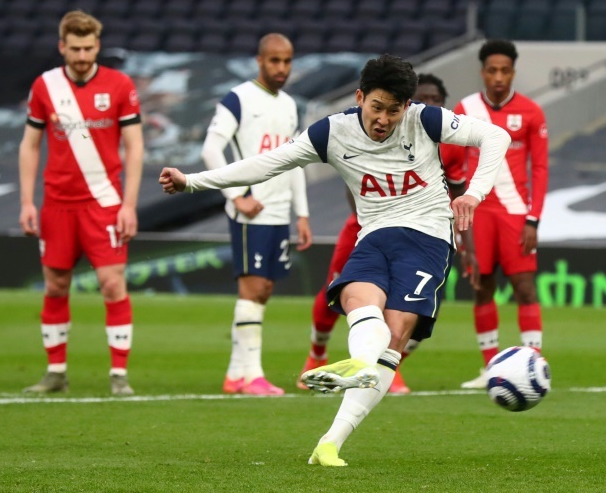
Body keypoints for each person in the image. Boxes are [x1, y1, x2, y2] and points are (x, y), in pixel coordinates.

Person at [160, 54, 509, 466]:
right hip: (376, 235)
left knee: (395, 335)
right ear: (360, 97)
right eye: (376, 107)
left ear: (406, 107)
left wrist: (473, 194)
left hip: (428, 236)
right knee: (357, 301)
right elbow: (266, 164)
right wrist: (193, 182)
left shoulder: (424, 119)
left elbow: (496, 137)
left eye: (393, 110)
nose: (383, 118)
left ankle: (330, 441)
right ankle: (360, 364)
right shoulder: (331, 132)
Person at [296, 73, 478, 395]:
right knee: (337, 290)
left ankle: (388, 366)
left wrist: (466, 243)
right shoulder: (382, 130)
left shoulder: (449, 144)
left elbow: (458, 191)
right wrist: (377, 223)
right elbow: (354, 185)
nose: (429, 105)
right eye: (423, 98)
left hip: (425, 234)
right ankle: (316, 356)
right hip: (367, 227)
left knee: (413, 309)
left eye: (435, 100)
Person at [19, 10, 144, 396]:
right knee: (56, 286)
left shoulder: (120, 85)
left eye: (89, 48)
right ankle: (56, 371)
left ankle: (118, 376)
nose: (82, 55)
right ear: (62, 47)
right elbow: (30, 144)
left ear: (98, 46)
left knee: (112, 284)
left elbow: (135, 146)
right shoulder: (45, 86)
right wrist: (27, 201)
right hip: (56, 204)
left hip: (103, 203)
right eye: (75, 48)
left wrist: (129, 204)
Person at [201, 33, 312, 396]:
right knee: (252, 288)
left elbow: (296, 160)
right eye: (275, 60)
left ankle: (236, 374)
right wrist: (236, 196)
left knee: (263, 290)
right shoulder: (238, 99)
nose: (282, 68)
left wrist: (303, 214)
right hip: (252, 209)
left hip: (279, 210)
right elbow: (211, 149)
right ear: (260, 61)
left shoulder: (290, 105)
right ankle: (252, 376)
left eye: (287, 61)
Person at [441, 39, 549, 389]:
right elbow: (452, 164)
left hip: (516, 212)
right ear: (482, 72)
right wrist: (458, 220)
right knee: (482, 286)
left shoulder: (532, 112)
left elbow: (541, 168)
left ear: (513, 72)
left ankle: (533, 364)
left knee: (525, 288)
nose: (498, 77)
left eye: (505, 70)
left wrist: (534, 218)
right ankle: (491, 368)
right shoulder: (466, 108)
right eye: (492, 70)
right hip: (479, 211)